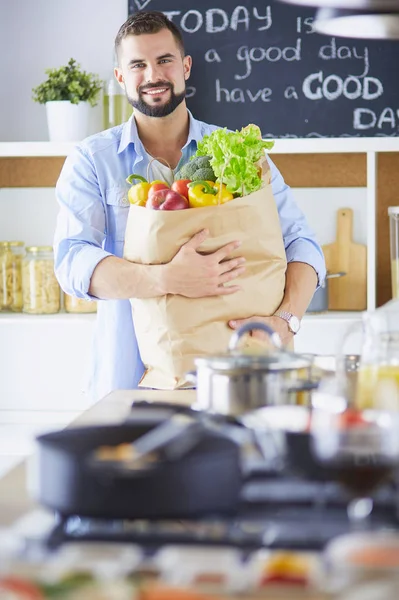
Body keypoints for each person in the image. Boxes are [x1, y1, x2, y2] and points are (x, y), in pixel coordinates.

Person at [54, 10, 326, 402]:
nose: (153, 75)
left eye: (164, 60)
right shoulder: (91, 160)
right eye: (137, 65)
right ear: (120, 77)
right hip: (130, 383)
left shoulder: (236, 151)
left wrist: (285, 320)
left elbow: (302, 244)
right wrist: (167, 279)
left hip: (241, 377)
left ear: (185, 67)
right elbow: (71, 263)